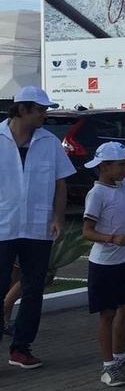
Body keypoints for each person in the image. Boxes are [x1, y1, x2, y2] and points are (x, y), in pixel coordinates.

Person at [0, 85, 74, 370]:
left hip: (37, 227)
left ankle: (21, 348)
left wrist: (58, 217)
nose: (45, 114)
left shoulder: (49, 142)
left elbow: (60, 183)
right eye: (41, 109)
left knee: (33, 289)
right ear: (22, 110)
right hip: (3, 226)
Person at [81, 141, 125, 387]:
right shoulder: (97, 193)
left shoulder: (124, 184)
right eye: (120, 165)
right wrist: (112, 238)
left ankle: (120, 358)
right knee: (107, 314)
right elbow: (87, 231)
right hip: (104, 264)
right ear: (104, 166)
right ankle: (108, 366)